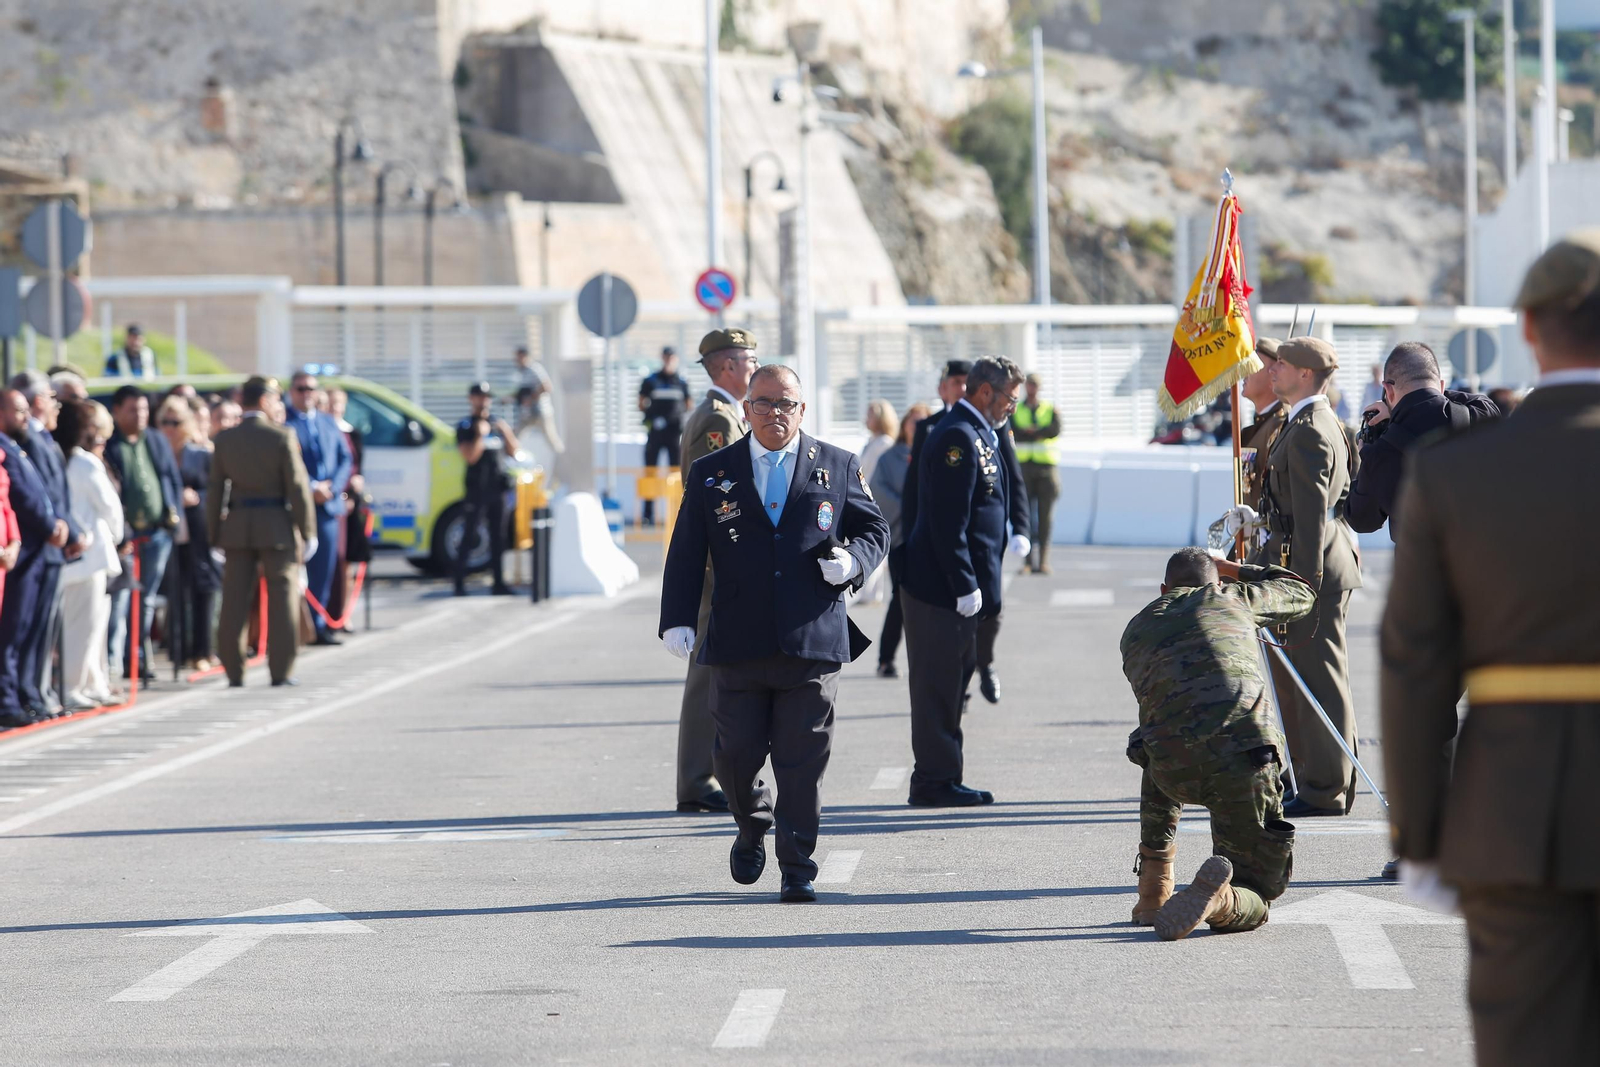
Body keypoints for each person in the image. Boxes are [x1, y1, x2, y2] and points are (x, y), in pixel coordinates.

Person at [1381, 230, 1600, 1067]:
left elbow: (1416, 668)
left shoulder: (1456, 473)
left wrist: (1424, 837)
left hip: (1516, 815)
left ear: (1532, 332)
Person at [659, 364, 889, 903]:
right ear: (746, 408)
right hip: (738, 641)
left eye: (785, 404)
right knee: (734, 757)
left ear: (801, 410)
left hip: (811, 641)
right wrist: (675, 617)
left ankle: (797, 865)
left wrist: (852, 563)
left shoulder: (837, 464)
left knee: (803, 761)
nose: (774, 414)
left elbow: (875, 528)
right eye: (763, 403)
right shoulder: (714, 471)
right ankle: (751, 820)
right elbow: (687, 548)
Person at [1122, 549, 1311, 940]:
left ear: (1164, 590)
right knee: (1258, 893)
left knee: (1158, 735)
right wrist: (1236, 569)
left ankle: (1154, 890)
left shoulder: (1136, 628)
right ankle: (1223, 900)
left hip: (1173, 772)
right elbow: (1300, 593)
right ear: (1218, 582)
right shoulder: (1231, 597)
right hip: (1244, 764)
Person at [901, 356, 1027, 807]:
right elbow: (946, 523)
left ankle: (944, 775)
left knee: (953, 684)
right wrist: (963, 584)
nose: (1014, 406)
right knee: (938, 687)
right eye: (1010, 397)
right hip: (941, 589)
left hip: (958, 586)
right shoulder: (957, 436)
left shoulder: (979, 434)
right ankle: (934, 781)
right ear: (985, 392)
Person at [1256, 337, 1364, 817]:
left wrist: (1301, 586)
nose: (1273, 370)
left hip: (1312, 567)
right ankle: (1329, 781)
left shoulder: (1310, 428)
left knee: (1321, 677)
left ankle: (1326, 789)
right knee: (1322, 675)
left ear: (1305, 374)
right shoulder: (1311, 420)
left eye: (1282, 364)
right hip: (1315, 561)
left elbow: (1312, 518)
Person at [671, 328, 759, 814]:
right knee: (706, 672)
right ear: (728, 366)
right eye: (750, 361)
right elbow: (717, 501)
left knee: (715, 669)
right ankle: (696, 779)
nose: (754, 368)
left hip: (715, 562)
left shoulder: (723, 415)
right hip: (714, 565)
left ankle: (705, 775)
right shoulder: (718, 422)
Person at [208, 377, 315, 687]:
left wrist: (214, 533)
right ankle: (280, 670)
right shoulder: (281, 436)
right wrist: (308, 531)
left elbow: (216, 490)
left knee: (234, 601)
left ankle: (234, 670)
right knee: (282, 599)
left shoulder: (225, 439)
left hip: (238, 526)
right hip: (276, 526)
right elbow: (297, 487)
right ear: (266, 401)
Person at [1346, 342, 1499, 541]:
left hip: (1421, 568)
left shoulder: (1380, 454)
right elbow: (1477, 401)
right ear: (1442, 386)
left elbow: (1361, 519)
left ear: (1387, 390)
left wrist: (1366, 459)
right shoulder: (1480, 414)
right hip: (1482, 561)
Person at [9, 370, 85, 718]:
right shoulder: (24, 441)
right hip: (32, 546)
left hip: (49, 544)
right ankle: (24, 695)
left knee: (39, 629)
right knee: (20, 629)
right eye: (53, 400)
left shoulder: (37, 439)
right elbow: (31, 498)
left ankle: (34, 693)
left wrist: (69, 528)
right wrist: (56, 527)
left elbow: (54, 497)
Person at [103, 385, 183, 682]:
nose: (139, 416)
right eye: (132, 410)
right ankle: (120, 660)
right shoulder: (110, 444)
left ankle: (141, 655)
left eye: (144, 410)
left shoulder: (156, 440)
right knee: (122, 599)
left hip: (157, 533)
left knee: (146, 599)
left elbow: (170, 478)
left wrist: (174, 514)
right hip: (125, 539)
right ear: (117, 411)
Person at [56, 399, 123, 710]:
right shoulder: (83, 462)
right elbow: (110, 507)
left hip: (69, 556)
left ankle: (93, 683)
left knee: (88, 626)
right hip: (91, 555)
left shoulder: (57, 460)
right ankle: (73, 688)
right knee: (84, 628)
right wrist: (118, 535)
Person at [0, 389, 59, 726]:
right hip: (15, 556)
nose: (25, 417)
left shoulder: (15, 448)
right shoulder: (5, 449)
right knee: (10, 631)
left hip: (24, 548)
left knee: (25, 629)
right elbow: (18, 499)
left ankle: (23, 695)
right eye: (17, 410)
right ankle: (9, 700)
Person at [284, 371, 352, 644]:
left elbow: (344, 458)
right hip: (299, 504)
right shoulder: (286, 424)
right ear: (292, 392)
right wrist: (311, 487)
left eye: (310, 388)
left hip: (328, 505)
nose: (306, 393)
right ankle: (297, 626)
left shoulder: (327, 422)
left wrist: (332, 488)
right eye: (300, 389)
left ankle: (318, 623)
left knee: (325, 568)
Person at [160, 396, 222, 671]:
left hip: (198, 527)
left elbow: (217, 490)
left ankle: (203, 649)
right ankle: (178, 649)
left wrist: (197, 496)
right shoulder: (157, 451)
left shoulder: (200, 454)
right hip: (171, 528)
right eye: (165, 422)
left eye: (176, 422)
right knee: (175, 589)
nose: (171, 428)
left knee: (203, 587)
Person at [869, 404, 929, 679]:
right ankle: (886, 659)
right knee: (900, 599)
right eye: (912, 422)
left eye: (922, 423)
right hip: (902, 540)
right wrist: (911, 509)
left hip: (931, 540)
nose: (916, 427)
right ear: (904, 424)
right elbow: (879, 493)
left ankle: (929, 661)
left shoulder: (935, 455)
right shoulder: (890, 458)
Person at [453, 382, 517, 597]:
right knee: (469, 534)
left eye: (487, 397)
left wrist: (506, 432)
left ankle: (499, 583)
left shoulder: (496, 424)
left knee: (499, 537)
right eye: (479, 397)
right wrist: (480, 435)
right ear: (471, 399)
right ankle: (459, 583)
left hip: (497, 488)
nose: (484, 401)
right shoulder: (465, 426)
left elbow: (513, 452)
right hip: (476, 488)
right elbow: (470, 456)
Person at [325, 387, 367, 626]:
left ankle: (343, 612)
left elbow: (356, 466)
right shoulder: (324, 430)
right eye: (330, 403)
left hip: (349, 500)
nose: (334, 408)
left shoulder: (351, 433)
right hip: (331, 499)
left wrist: (352, 492)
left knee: (346, 560)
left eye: (338, 403)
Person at [1011, 373, 1060, 574]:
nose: (1032, 388)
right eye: (1029, 385)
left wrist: (1035, 432)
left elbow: (1055, 429)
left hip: (1046, 467)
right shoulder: (1017, 409)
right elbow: (1014, 430)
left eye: (1035, 385)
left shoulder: (1049, 409)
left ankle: (1044, 560)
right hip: (1024, 467)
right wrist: (1034, 433)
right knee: (1026, 517)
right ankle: (1028, 562)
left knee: (1045, 517)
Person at [637, 347, 692, 526]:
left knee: (676, 473)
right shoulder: (651, 380)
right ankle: (648, 515)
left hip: (674, 433)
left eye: (671, 357)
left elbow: (688, 404)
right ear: (662, 358)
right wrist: (653, 416)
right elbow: (641, 402)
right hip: (655, 433)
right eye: (666, 357)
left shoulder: (681, 381)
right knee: (651, 472)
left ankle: (678, 512)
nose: (669, 360)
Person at [1238, 338, 1283, 514]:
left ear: (1273, 376)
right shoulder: (1263, 425)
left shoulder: (1280, 425)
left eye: (1252, 365)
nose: (1244, 372)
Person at [513, 345, 564, 454]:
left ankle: (563, 462)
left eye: (520, 357)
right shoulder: (522, 373)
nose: (518, 360)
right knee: (514, 437)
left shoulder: (534, 369)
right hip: (527, 413)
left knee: (552, 440)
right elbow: (522, 393)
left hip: (540, 412)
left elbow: (547, 386)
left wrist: (531, 398)